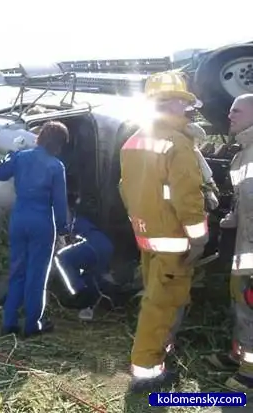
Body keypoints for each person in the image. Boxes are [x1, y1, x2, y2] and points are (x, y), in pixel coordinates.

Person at [119, 71, 209, 392]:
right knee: (161, 306)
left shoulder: (132, 142)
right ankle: (147, 373)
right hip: (173, 240)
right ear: (172, 103)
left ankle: (159, 355)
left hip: (147, 237)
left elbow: (125, 189)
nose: (186, 110)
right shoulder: (177, 143)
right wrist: (199, 238)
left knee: (155, 300)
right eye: (183, 103)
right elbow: (188, 197)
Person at [0, 120, 71, 338]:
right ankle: (32, 324)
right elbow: (59, 203)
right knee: (37, 275)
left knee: (17, 271)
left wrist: (10, 152)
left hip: (19, 219)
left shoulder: (20, 156)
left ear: (41, 137)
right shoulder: (56, 166)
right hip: (42, 222)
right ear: (59, 144)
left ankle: (9, 322)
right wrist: (64, 229)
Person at [206, 93, 253, 391]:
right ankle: (240, 355)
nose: (229, 115)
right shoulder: (241, 156)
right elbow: (243, 199)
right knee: (241, 302)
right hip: (243, 248)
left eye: (237, 111)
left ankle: (250, 373)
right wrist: (232, 218)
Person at [52, 213, 115, 321]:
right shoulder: (84, 221)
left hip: (93, 243)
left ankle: (79, 293)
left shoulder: (72, 221)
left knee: (62, 258)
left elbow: (66, 235)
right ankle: (89, 305)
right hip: (106, 245)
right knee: (90, 274)